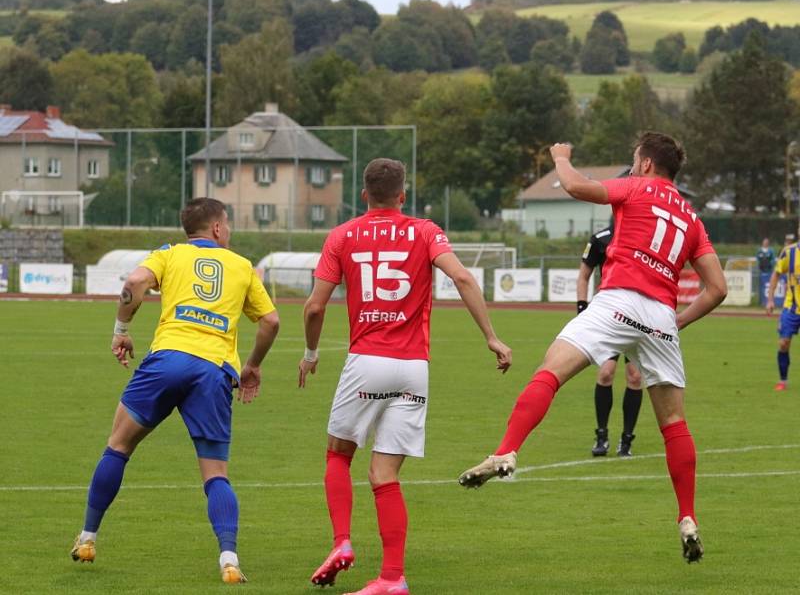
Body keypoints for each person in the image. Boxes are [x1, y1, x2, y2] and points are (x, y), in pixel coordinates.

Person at [458, 132, 727, 564]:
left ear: (644, 164)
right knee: (674, 422)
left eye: (634, 160)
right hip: (660, 316)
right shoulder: (692, 220)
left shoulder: (638, 187)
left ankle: (506, 451)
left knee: (551, 371)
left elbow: (577, 186)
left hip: (618, 299)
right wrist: (676, 322)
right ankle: (688, 517)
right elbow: (718, 289)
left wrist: (561, 159)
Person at [299, 158, 512, 595]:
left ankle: (342, 543)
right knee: (385, 475)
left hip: (367, 361)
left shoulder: (342, 236)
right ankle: (392, 578)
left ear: (363, 195)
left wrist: (311, 352)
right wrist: (491, 336)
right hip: (415, 368)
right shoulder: (425, 231)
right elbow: (462, 278)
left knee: (339, 457)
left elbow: (315, 306)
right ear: (403, 195)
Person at [70, 198, 280, 583]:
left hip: (167, 360)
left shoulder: (169, 254)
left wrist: (120, 331)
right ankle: (229, 560)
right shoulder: (242, 266)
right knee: (216, 474)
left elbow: (134, 282)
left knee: (118, 446)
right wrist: (252, 366)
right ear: (217, 228)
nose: (229, 230)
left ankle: (87, 537)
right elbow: (270, 321)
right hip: (214, 370)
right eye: (228, 224)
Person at [577, 224, 643, 457]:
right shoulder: (601, 238)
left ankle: (626, 440)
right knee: (605, 373)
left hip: (638, 316)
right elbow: (584, 275)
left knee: (635, 377)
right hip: (608, 316)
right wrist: (582, 308)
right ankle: (602, 436)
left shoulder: (642, 234)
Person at [765, 236, 800, 391]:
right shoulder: (789, 252)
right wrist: (770, 300)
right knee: (784, 343)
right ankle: (783, 380)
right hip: (791, 307)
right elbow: (776, 274)